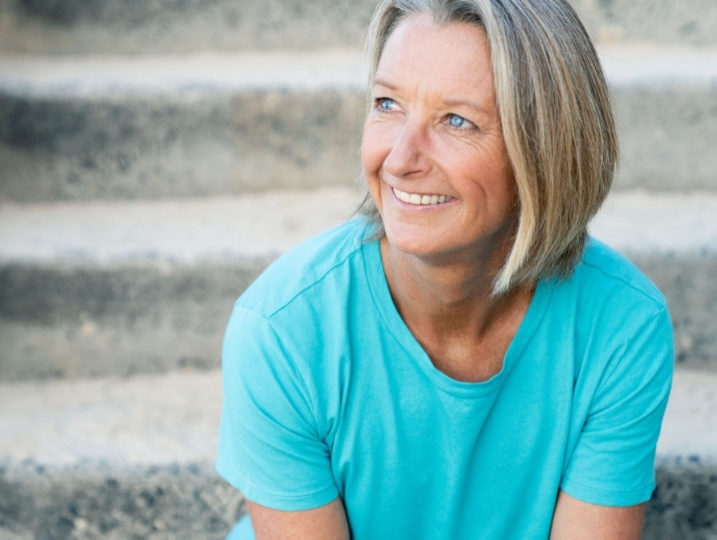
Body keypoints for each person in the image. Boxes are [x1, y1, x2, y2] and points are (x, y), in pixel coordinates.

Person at [216, 0, 674, 538]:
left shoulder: (621, 326)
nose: (400, 158)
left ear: (547, 148)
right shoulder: (284, 332)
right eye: (388, 104)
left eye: (456, 119)